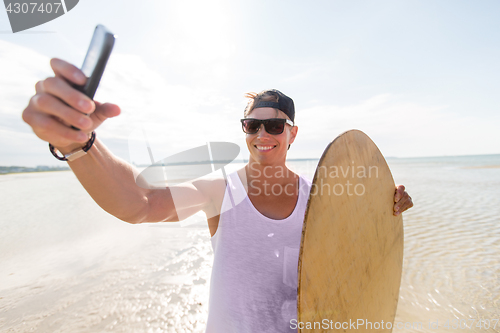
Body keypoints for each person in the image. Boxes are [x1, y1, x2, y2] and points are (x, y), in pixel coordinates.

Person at [22, 58, 414, 332]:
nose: (262, 136)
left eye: (274, 127)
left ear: (293, 133)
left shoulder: (320, 201)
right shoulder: (222, 192)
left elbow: (361, 265)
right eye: (252, 125)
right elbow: (139, 203)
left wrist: (384, 208)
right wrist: (78, 144)